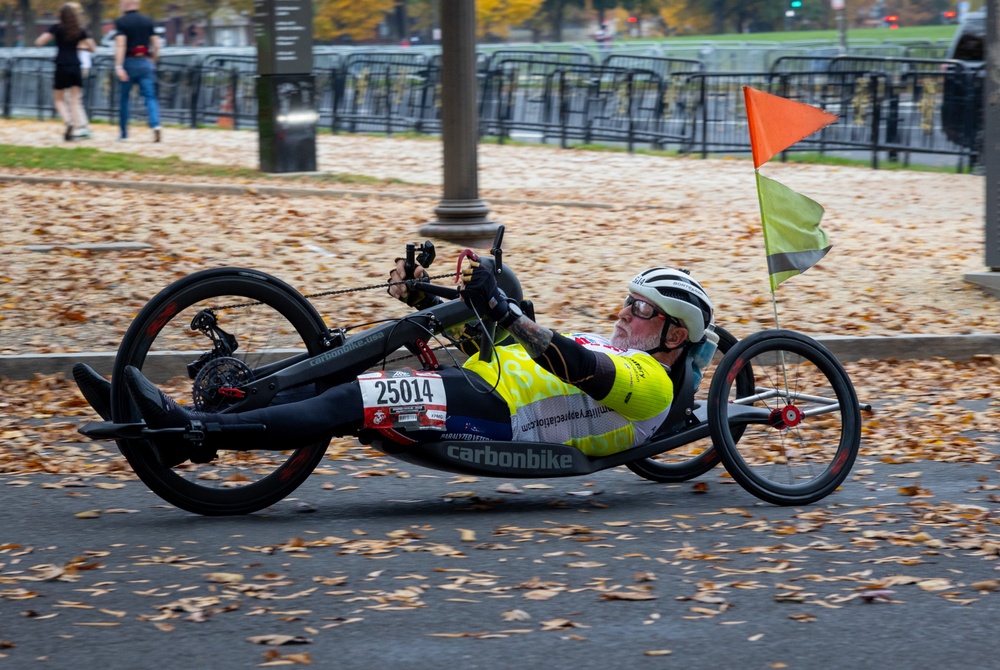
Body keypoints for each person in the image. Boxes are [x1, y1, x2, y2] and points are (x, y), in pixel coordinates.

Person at [77, 260, 713, 468]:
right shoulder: (619, 344)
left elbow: (572, 367)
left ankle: (188, 437)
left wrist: (510, 315)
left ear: (675, 336)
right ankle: (179, 413)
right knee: (336, 369)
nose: (627, 313)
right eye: (628, 301)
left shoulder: (650, 382)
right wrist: (430, 295)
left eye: (644, 309)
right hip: (480, 378)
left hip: (500, 419)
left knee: (352, 403)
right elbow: (519, 336)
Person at [34, 3, 96, 141]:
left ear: (61, 15)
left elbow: (40, 42)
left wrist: (44, 37)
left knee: (58, 99)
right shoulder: (81, 30)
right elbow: (93, 48)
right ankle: (74, 129)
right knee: (75, 100)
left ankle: (68, 122)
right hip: (75, 66)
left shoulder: (56, 28)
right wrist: (81, 43)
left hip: (61, 65)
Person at [114, 0, 161, 142]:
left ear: (126, 4)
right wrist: (153, 59)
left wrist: (118, 66)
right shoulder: (147, 20)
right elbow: (157, 45)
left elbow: (121, 44)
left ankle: (123, 133)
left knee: (124, 99)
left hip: (129, 62)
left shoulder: (121, 22)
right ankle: (155, 124)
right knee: (150, 96)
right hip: (145, 62)